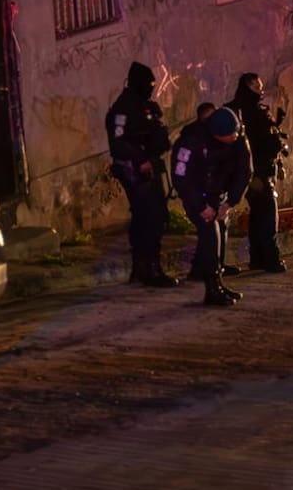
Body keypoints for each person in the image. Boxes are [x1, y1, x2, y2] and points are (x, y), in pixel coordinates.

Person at [105, 61, 179, 288]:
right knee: (148, 216)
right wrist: (140, 160)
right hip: (135, 170)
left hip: (151, 166)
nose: (151, 88)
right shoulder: (122, 108)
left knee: (153, 216)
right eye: (148, 84)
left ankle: (145, 267)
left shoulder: (145, 106)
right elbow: (118, 143)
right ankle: (148, 268)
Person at [171, 106, 252, 306]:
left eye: (235, 132)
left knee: (221, 233)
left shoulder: (238, 137)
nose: (235, 137)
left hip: (220, 194)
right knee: (210, 236)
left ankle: (217, 281)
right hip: (198, 196)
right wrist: (200, 207)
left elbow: (244, 171)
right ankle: (212, 289)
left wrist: (230, 201)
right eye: (229, 135)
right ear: (217, 133)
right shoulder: (191, 142)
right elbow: (181, 178)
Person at [226, 72, 289, 273]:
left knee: (259, 215)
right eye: (257, 87)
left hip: (259, 170)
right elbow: (256, 144)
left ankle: (259, 258)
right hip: (257, 172)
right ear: (248, 86)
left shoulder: (248, 110)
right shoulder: (243, 112)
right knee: (268, 216)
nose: (261, 91)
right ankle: (270, 259)